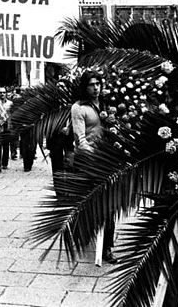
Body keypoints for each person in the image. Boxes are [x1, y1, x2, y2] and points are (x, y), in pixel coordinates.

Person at [70, 70, 117, 264]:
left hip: (108, 160)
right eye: (91, 84)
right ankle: (82, 234)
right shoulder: (78, 108)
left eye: (98, 83)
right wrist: (96, 157)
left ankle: (107, 247)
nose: (96, 87)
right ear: (85, 86)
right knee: (88, 203)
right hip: (88, 162)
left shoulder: (107, 103)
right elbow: (80, 140)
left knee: (111, 205)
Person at [0, 89, 13, 171]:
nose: (2, 94)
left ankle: (5, 163)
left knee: (6, 145)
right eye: (0, 93)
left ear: (6, 94)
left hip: (7, 125)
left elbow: (11, 114)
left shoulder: (10, 103)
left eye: (4, 92)